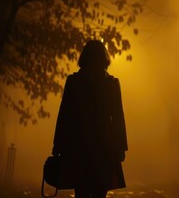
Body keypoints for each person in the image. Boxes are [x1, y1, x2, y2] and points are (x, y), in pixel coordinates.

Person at [52, 40, 128, 198]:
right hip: (105, 148)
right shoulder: (112, 84)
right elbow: (118, 116)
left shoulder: (73, 82)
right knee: (100, 191)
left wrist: (58, 144)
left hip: (78, 146)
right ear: (104, 59)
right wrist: (121, 147)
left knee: (81, 191)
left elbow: (65, 114)